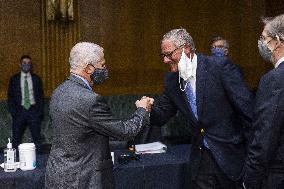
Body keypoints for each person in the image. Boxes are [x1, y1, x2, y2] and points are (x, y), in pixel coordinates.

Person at [151, 28, 254, 189]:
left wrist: (254, 160)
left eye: (169, 54)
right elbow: (161, 115)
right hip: (201, 160)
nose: (165, 60)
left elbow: (248, 113)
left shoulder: (219, 67)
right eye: (163, 55)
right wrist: (146, 109)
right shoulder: (172, 80)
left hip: (231, 156)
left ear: (185, 49)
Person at [45, 42, 153, 189]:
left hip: (57, 175)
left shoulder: (58, 92)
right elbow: (126, 132)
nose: (105, 69)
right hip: (84, 179)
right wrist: (142, 110)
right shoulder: (91, 100)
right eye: (102, 65)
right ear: (89, 68)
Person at [243, 14, 284, 189]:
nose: (261, 43)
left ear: (277, 40)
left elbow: (265, 134)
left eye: (263, 38)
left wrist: (250, 178)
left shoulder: (274, 80)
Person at [7, 55, 44, 152]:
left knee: (37, 139)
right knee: (16, 140)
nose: (26, 65)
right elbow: (10, 97)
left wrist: (39, 112)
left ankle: (40, 163)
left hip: (33, 111)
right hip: (19, 112)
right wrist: (14, 113)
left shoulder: (36, 79)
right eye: (24, 63)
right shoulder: (14, 79)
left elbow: (40, 97)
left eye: (28, 63)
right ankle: (15, 162)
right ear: (20, 64)